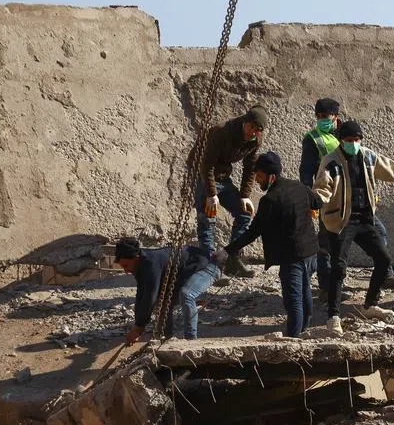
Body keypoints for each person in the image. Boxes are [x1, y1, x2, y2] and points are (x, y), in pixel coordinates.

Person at [313, 120, 394, 326]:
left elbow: (393, 168)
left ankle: (369, 305)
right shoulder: (331, 162)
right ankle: (333, 316)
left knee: (383, 260)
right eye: (349, 140)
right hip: (342, 221)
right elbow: (323, 187)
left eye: (357, 140)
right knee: (339, 268)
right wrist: (316, 201)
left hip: (365, 219)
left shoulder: (367, 156)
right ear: (341, 141)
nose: (353, 143)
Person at [213, 151, 321, 337]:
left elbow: (252, 233)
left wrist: (226, 251)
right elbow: (317, 202)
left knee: (293, 299)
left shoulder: (270, 200)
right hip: (310, 252)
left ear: (271, 176)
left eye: (260, 176)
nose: (257, 181)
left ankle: (294, 339)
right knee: (305, 291)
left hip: (292, 257)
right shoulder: (299, 187)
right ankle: (304, 331)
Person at [189, 104, 268, 278]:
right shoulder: (222, 132)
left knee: (245, 213)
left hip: (223, 175)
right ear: (245, 121)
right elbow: (206, 165)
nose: (252, 132)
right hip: (202, 174)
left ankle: (234, 259)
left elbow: (250, 168)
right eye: (251, 127)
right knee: (207, 220)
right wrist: (211, 194)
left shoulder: (255, 140)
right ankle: (209, 269)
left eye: (257, 130)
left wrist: (245, 196)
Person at [115, 237, 220, 343]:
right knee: (163, 301)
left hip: (208, 268)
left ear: (136, 257)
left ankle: (191, 340)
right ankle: (164, 339)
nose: (126, 271)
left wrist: (139, 327)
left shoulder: (150, 263)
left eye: (126, 265)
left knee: (186, 294)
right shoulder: (138, 267)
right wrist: (137, 324)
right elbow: (141, 295)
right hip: (186, 273)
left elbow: (150, 296)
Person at [300, 97, 342, 298]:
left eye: (326, 116)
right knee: (326, 242)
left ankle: (385, 274)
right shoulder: (312, 139)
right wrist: (311, 200)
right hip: (327, 197)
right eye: (319, 116)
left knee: (374, 233)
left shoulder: (345, 135)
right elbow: (306, 172)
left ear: (336, 117)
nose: (322, 119)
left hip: (349, 197)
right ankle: (327, 288)